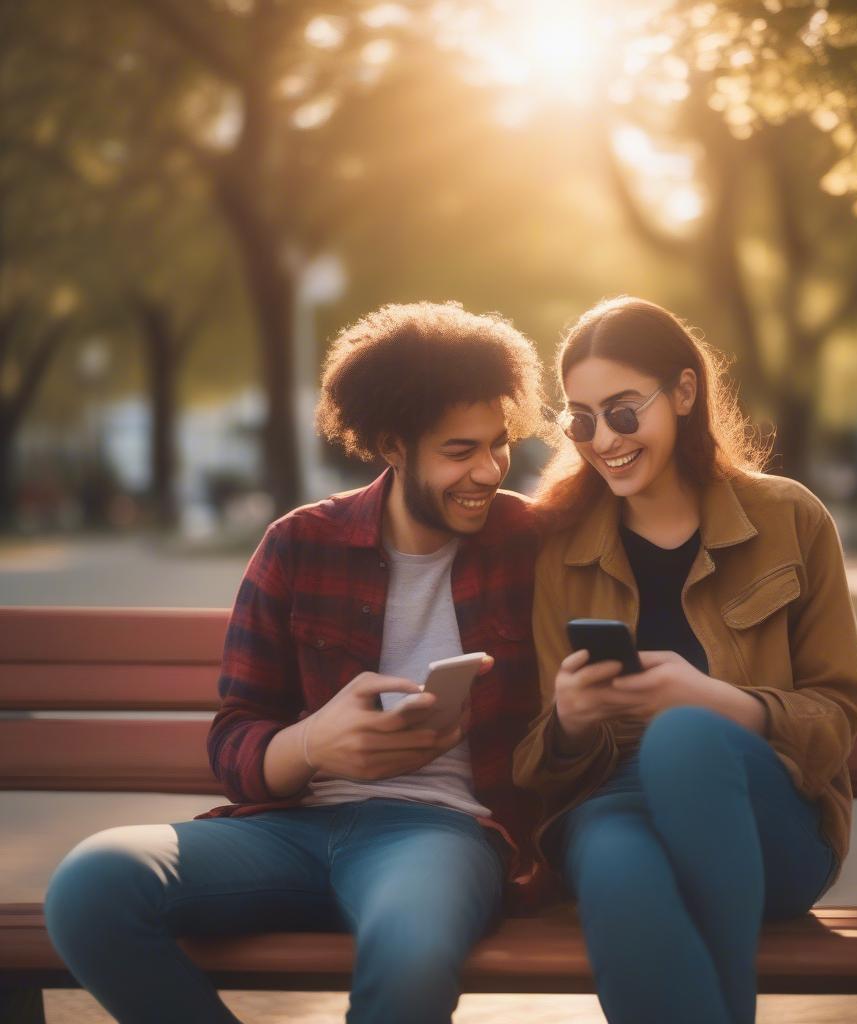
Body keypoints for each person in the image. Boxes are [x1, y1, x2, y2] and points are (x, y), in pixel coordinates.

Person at [45, 301, 546, 1024]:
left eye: (499, 445)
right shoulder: (300, 543)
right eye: (459, 450)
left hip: (442, 832)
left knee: (410, 946)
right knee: (91, 884)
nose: (489, 470)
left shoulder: (528, 541)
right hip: (287, 830)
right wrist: (312, 744)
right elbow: (236, 736)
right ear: (391, 444)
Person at [514, 296, 857, 1024]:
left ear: (683, 391)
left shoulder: (789, 519)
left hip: (768, 822)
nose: (602, 439)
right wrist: (572, 723)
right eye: (581, 420)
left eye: (622, 411)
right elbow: (535, 766)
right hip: (613, 805)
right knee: (614, 874)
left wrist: (715, 703)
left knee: (684, 737)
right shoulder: (562, 550)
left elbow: (836, 717)